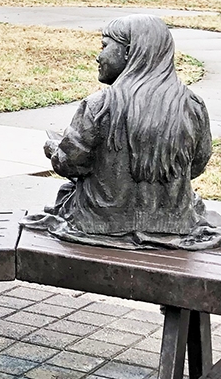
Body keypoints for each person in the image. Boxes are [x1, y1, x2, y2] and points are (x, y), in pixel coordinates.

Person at [23, 14, 221, 250]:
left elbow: (70, 165)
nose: (99, 56)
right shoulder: (192, 105)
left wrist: (55, 149)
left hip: (98, 223)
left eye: (105, 46)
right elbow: (196, 166)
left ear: (129, 53)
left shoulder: (99, 106)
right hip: (177, 222)